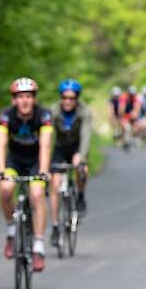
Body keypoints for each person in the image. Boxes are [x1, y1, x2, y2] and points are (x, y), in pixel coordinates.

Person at [0, 77, 51, 271]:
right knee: (7, 189)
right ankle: (11, 230)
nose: (24, 100)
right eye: (20, 97)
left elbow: (45, 144)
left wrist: (43, 171)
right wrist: (0, 171)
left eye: (28, 96)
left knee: (36, 194)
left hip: (35, 162)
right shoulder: (6, 116)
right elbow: (0, 144)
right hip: (14, 161)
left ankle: (39, 246)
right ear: (14, 100)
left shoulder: (43, 115)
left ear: (34, 99)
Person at [49, 78, 91, 234]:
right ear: (61, 97)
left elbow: (86, 135)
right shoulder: (53, 110)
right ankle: (54, 225)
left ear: (77, 98)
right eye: (65, 97)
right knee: (55, 183)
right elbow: (48, 135)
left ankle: (80, 196)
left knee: (82, 169)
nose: (68, 101)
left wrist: (82, 156)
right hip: (59, 148)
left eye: (72, 98)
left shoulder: (84, 111)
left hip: (76, 147)